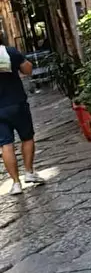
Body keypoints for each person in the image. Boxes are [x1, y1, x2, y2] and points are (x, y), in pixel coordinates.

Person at [0, 43, 44, 195]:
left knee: (6, 144)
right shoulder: (10, 52)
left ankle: (16, 183)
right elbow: (28, 70)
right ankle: (29, 172)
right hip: (17, 102)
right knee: (27, 137)